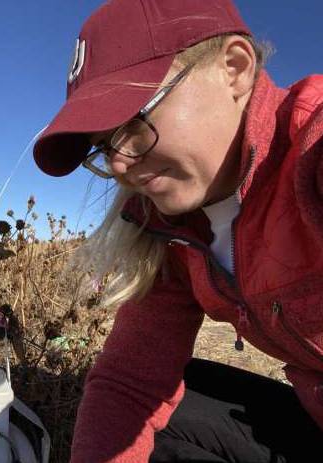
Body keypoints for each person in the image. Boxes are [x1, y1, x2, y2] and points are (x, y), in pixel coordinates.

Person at [32, 0, 323, 462]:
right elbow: (131, 382)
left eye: (133, 121)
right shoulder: (171, 227)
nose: (122, 163)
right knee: (165, 411)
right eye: (104, 146)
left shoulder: (311, 150)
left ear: (235, 68)